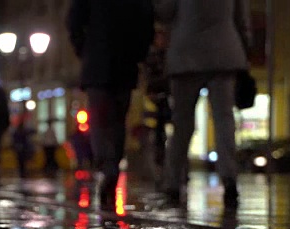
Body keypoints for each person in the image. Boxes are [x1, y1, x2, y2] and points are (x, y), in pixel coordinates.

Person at [158, 0, 251, 207]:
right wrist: (245, 51)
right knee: (223, 119)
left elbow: (163, 11)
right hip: (224, 53)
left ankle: (173, 182)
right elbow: (242, 20)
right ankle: (229, 178)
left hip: (185, 54)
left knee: (182, 123)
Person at [67, 0, 154, 209]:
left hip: (97, 64)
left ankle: (107, 166)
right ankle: (112, 164)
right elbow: (146, 22)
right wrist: (138, 54)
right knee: (117, 120)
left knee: (99, 121)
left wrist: (84, 49)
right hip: (125, 64)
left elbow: (73, 21)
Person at [144, 22, 172, 186]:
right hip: (156, 105)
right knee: (157, 138)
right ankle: (160, 168)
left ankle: (169, 168)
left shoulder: (169, 56)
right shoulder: (153, 57)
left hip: (167, 102)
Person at [11, 111, 35, 178]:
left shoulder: (22, 131)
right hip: (21, 149)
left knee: (22, 161)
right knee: (21, 161)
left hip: (22, 149)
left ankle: (23, 172)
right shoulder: (19, 132)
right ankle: (22, 172)